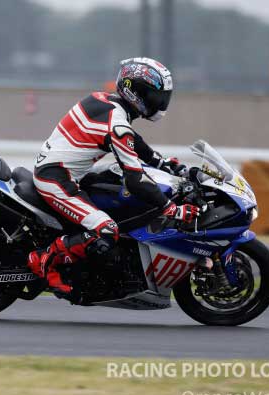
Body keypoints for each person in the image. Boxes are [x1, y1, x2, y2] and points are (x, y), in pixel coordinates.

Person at [27, 57, 200, 296]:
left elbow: (134, 142)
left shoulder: (103, 100)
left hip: (60, 172)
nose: (159, 102)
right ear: (135, 92)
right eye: (154, 95)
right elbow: (135, 180)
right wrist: (170, 208)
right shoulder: (117, 125)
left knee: (108, 184)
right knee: (106, 230)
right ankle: (43, 260)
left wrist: (164, 164)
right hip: (57, 180)